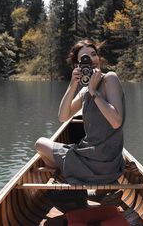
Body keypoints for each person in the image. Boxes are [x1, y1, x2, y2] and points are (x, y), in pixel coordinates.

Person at [35, 39, 126, 185]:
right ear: (78, 65)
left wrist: (93, 91)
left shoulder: (110, 78)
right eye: (85, 58)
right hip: (90, 155)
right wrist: (72, 85)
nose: (91, 59)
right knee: (40, 143)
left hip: (106, 162)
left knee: (41, 145)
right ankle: (74, 173)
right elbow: (63, 117)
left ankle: (68, 174)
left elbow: (116, 122)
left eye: (93, 54)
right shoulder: (84, 91)